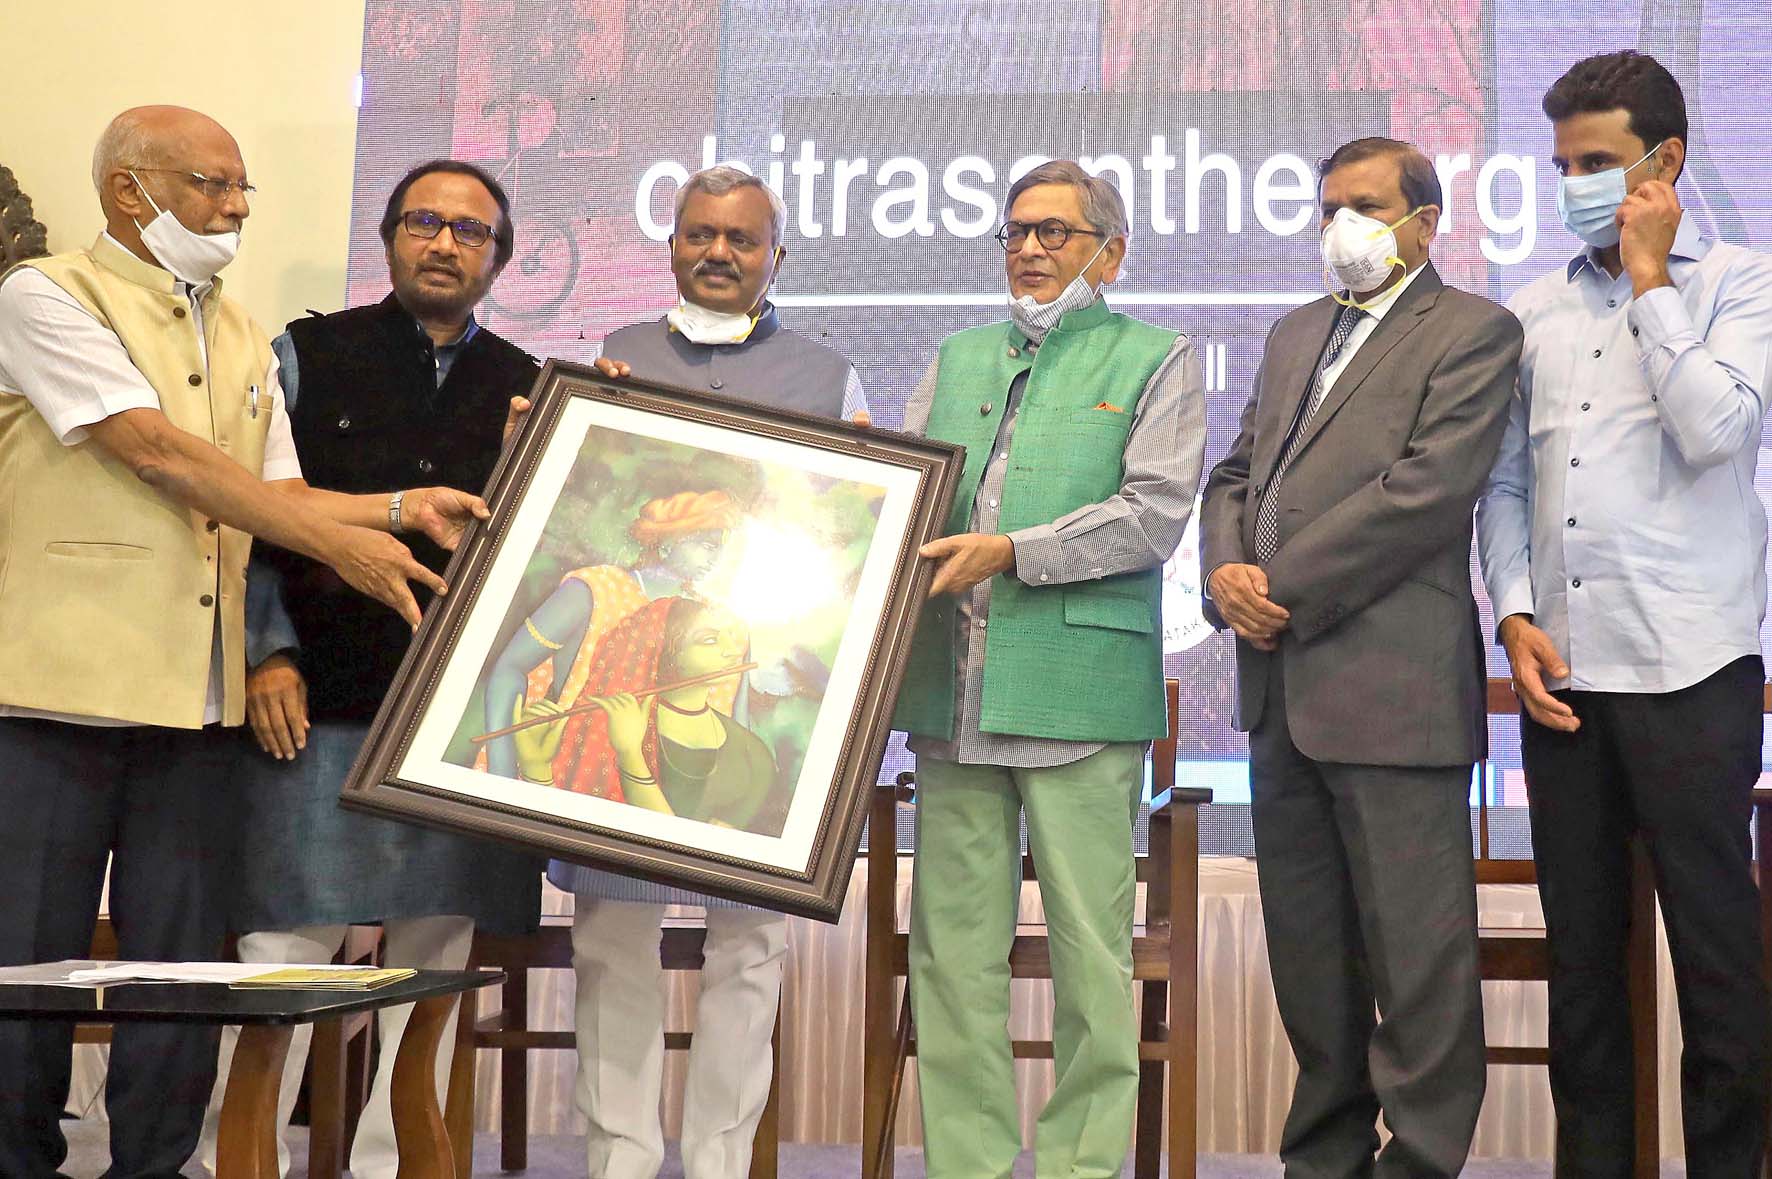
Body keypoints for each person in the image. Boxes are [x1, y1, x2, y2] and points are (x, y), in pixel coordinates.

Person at [0, 106, 486, 1179]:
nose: (234, 208)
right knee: (27, 961)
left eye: (240, 188)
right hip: (58, 696)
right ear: (129, 190)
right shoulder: (43, 295)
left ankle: (156, 1163)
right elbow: (157, 454)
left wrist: (402, 510)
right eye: (211, 185)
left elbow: (282, 494)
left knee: (180, 971)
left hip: (198, 705)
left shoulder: (239, 330)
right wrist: (340, 546)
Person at [196, 159, 545, 1179]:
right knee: (281, 958)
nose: (444, 243)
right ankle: (238, 1160)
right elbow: (247, 515)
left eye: (470, 231)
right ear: (388, 238)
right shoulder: (304, 355)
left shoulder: (532, 386)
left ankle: (401, 1166)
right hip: (316, 702)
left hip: (462, 726)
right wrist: (266, 652)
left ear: (499, 259)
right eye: (423, 222)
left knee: (433, 973)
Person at [1199, 136, 1521, 1178]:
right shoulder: (1295, 330)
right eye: (1328, 205)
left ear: (1424, 222)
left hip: (1392, 692)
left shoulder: (1474, 331)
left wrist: (1274, 585)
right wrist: (1223, 571)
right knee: (1310, 958)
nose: (1341, 225)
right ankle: (1324, 1160)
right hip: (1280, 693)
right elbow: (1235, 473)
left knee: (1418, 962)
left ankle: (1419, 1160)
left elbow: (1424, 493)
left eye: (1366, 206)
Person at [1477, 50, 1772, 1176]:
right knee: (1583, 974)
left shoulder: (1739, 283)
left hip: (1691, 672)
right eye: (1561, 165)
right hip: (1564, 680)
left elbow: (1717, 431)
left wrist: (1652, 283)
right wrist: (1512, 615)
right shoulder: (1532, 310)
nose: (1573, 185)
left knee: (1716, 961)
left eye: (1595, 162)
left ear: (1665, 162)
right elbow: (1505, 487)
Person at [541, 164, 866, 1179]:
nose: (718, 253)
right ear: (672, 244)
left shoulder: (830, 377)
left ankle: (721, 1162)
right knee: (612, 940)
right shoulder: (613, 358)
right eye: (699, 234)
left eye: (741, 238)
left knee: (749, 949)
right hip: (625, 698)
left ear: (776, 256)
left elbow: (850, 546)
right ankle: (621, 1161)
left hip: (757, 710)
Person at [894, 159, 1205, 1179]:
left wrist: (1014, 551)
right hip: (954, 695)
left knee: (1090, 959)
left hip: (1079, 697)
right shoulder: (956, 357)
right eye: (1016, 232)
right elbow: (911, 496)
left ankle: (1081, 1167)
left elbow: (1153, 515)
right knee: (951, 961)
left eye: (1054, 233)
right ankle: (968, 1167)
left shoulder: (1157, 357)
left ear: (1108, 255)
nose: (1028, 249)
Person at [514, 596, 777, 829]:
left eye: (730, 637)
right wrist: (536, 769)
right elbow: (571, 831)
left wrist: (630, 756)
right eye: (709, 640)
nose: (733, 651)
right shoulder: (608, 724)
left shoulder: (754, 755)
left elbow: (687, 853)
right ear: (669, 652)